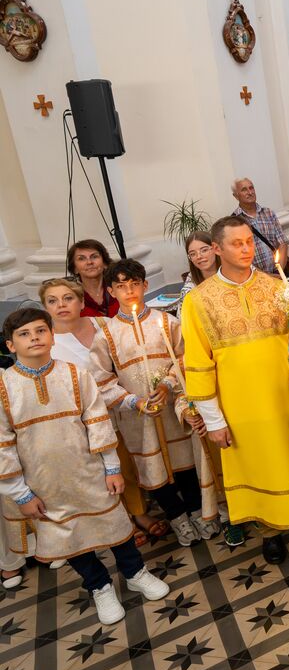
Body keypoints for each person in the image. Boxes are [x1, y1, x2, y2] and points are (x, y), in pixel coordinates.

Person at [180, 216, 289, 566]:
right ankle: (269, 531)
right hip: (242, 407)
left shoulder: (276, 285)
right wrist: (213, 419)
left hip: (285, 395)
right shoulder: (198, 301)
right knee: (259, 465)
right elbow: (198, 362)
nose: (246, 249)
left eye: (249, 241)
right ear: (217, 249)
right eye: (236, 243)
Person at [0, 308, 171, 624]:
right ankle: (99, 585)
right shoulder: (4, 387)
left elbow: (97, 420)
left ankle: (135, 572)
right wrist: (20, 494)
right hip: (43, 483)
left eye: (40, 331)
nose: (34, 338)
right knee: (70, 536)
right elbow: (2, 444)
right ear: (10, 345)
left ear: (52, 335)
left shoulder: (76, 375)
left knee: (115, 525)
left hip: (89, 471)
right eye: (24, 334)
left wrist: (111, 467)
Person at [90, 260, 220, 547]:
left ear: (145, 285)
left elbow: (186, 360)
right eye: (121, 287)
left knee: (184, 463)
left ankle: (198, 512)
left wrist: (167, 384)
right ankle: (178, 518)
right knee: (153, 471)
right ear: (111, 291)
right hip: (138, 417)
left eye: (134, 284)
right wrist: (133, 401)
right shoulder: (106, 335)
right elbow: (101, 381)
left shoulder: (166, 322)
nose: (129, 291)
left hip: (173, 409)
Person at [39, 279, 161, 552]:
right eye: (52, 301)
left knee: (127, 462)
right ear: (45, 307)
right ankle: (123, 521)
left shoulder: (102, 324)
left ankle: (139, 510)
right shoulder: (49, 342)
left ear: (82, 302)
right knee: (104, 470)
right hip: (84, 416)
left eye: (68, 298)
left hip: (120, 404)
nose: (61, 305)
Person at [231, 178, 286, 274]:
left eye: (251, 188)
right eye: (244, 190)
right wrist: (267, 277)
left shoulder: (268, 213)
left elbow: (282, 243)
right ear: (236, 196)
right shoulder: (234, 222)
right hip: (256, 278)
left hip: (280, 273)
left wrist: (280, 272)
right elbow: (239, 256)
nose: (249, 192)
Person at [68, 239, 118, 318]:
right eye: (81, 258)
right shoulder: (72, 296)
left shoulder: (119, 287)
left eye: (94, 257)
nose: (89, 262)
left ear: (105, 263)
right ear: (75, 268)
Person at [181, 231, 219, 299]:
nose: (199, 256)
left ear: (215, 249)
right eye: (192, 254)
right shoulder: (190, 287)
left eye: (204, 250)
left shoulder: (232, 274)